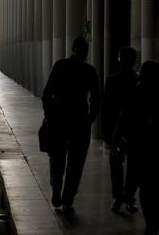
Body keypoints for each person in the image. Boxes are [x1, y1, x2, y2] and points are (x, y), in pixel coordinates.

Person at [42, 37, 101, 214]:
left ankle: (57, 190)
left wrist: (49, 114)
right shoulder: (89, 70)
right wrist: (90, 117)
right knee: (76, 163)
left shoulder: (60, 66)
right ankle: (68, 199)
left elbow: (47, 93)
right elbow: (96, 96)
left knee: (57, 158)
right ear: (78, 50)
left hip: (60, 119)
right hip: (79, 121)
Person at [123, 60, 159, 235]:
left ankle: (151, 221)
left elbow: (127, 118)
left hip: (141, 148)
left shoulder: (137, 91)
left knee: (146, 187)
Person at [101, 46, 139, 213]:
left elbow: (106, 107)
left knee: (116, 164)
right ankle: (129, 198)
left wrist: (106, 132)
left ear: (119, 59)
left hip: (118, 130)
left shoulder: (112, 79)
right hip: (135, 129)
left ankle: (118, 197)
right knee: (133, 165)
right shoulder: (138, 80)